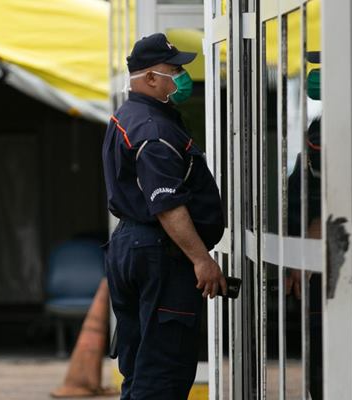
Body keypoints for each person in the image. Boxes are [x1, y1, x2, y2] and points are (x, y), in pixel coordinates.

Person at [102, 33, 227, 400]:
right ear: (151, 78)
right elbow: (167, 204)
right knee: (163, 374)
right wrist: (201, 259)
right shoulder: (154, 131)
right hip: (160, 252)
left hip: (132, 245)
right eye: (174, 70)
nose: (182, 77)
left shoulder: (129, 117)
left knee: (139, 368)